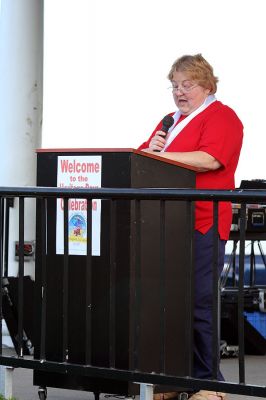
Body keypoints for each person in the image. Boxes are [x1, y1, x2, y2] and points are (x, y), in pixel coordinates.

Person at [138, 54, 243, 400]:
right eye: (175, 86)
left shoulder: (223, 117)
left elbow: (208, 159)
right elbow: (141, 160)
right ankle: (172, 380)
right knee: (164, 303)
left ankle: (209, 385)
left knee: (199, 303)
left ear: (207, 86)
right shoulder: (169, 120)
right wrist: (150, 150)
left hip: (203, 222)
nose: (180, 93)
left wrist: (160, 156)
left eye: (188, 85)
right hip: (164, 225)